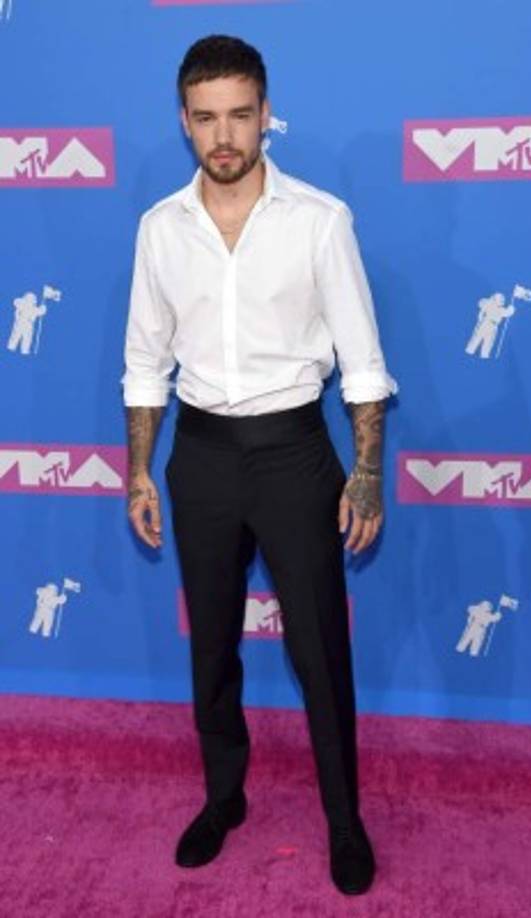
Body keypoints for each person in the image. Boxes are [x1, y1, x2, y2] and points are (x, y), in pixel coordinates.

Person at [121, 34, 398, 897]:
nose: (225, 134)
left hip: (293, 454)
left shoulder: (319, 220)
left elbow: (361, 361)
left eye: (241, 114)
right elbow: (144, 361)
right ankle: (223, 798)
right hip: (199, 457)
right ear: (184, 122)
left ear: (267, 114)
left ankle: (344, 822)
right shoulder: (159, 229)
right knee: (212, 651)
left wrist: (366, 474)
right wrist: (138, 470)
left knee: (320, 652)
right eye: (206, 118)